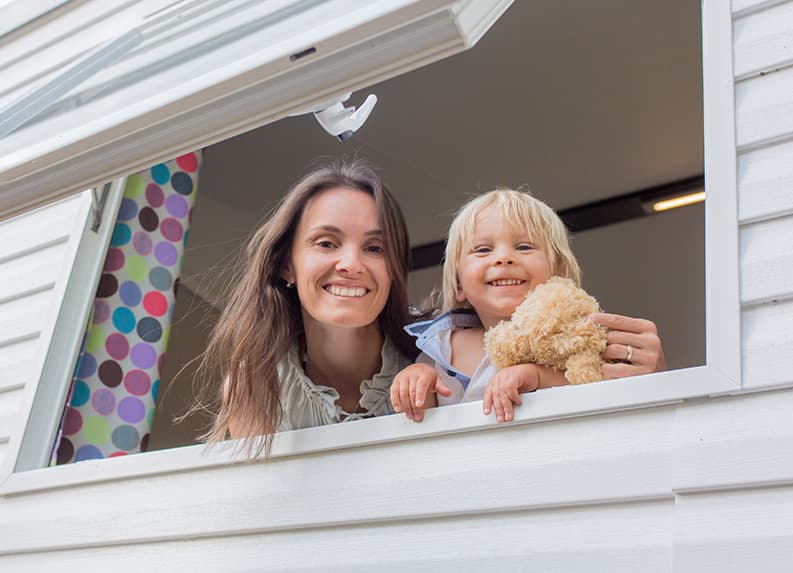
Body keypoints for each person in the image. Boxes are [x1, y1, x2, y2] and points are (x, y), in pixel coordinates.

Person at [390, 188, 666, 424]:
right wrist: (418, 380)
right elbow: (423, 421)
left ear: (558, 274)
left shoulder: (573, 333)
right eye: (483, 250)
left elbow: (592, 380)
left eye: (523, 247)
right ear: (459, 285)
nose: (504, 258)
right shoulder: (439, 344)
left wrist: (538, 376)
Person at [201, 160, 416, 455]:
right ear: (287, 265)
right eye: (327, 243)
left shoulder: (440, 352)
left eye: (375, 248)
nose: (352, 264)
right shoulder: (252, 387)